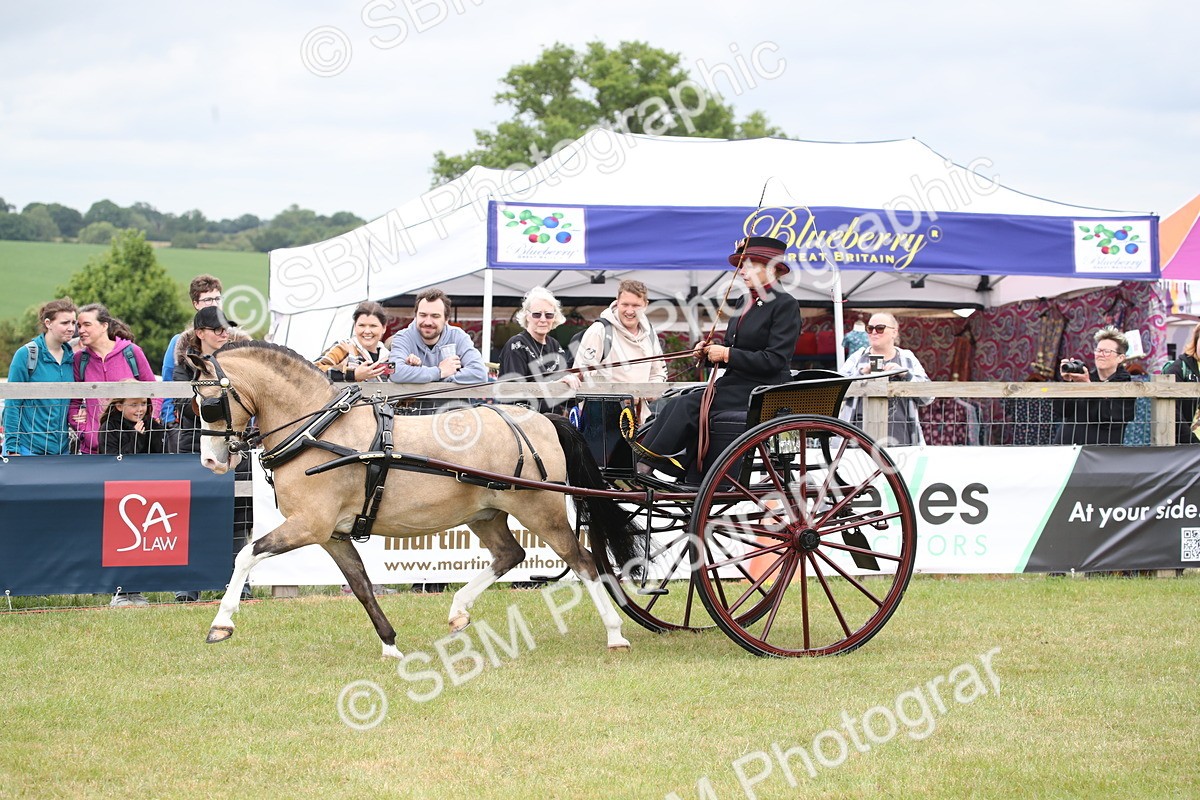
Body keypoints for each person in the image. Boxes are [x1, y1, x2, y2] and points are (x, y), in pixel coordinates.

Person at [638, 236, 802, 476]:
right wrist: (709, 351)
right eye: (742, 265)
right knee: (679, 400)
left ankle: (648, 463)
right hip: (735, 384)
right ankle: (660, 462)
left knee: (687, 404)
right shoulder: (744, 300)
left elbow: (774, 360)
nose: (742, 271)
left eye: (749, 265)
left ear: (771, 268)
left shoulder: (785, 304)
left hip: (763, 389)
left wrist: (726, 354)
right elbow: (733, 346)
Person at [173, 306, 254, 603]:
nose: (224, 333)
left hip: (236, 443)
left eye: (226, 328)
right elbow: (181, 405)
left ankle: (238, 583)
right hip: (195, 442)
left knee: (238, 515)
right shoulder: (185, 363)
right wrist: (213, 406)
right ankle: (188, 584)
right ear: (200, 333)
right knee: (194, 514)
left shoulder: (240, 360)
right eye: (217, 329)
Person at [68, 303, 157, 456]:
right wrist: (85, 432)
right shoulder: (79, 359)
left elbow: (155, 392)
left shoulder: (132, 352)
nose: (81, 330)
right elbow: (74, 402)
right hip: (92, 451)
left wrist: (150, 420)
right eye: (79, 325)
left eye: (87, 325)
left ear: (104, 326)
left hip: (133, 449)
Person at [573, 279, 666, 423]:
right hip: (602, 420)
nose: (630, 311)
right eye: (625, 304)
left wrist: (651, 391)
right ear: (617, 302)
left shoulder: (650, 333)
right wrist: (622, 396)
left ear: (646, 305)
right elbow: (582, 373)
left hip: (640, 419)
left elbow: (658, 373)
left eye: (636, 305)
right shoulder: (599, 330)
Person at [839, 313, 933, 446]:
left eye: (880, 328)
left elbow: (928, 397)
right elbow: (836, 392)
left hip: (901, 437)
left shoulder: (907, 359)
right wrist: (861, 373)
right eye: (870, 328)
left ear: (894, 332)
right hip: (858, 438)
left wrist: (905, 375)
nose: (874, 332)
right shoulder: (858, 357)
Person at [3, 298, 77, 456]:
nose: (71, 328)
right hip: (27, 450)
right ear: (48, 323)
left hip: (62, 452)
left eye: (73, 322)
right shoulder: (26, 355)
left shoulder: (73, 358)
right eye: (65, 323)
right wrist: (12, 449)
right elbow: (12, 405)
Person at [498, 286, 579, 413]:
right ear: (527, 316)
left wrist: (574, 379)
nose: (543, 320)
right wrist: (556, 384)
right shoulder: (516, 345)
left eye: (549, 315)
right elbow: (513, 390)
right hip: (522, 420)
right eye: (537, 314)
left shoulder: (555, 345)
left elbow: (564, 382)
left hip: (552, 419)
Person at [161, 274, 223, 437]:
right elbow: (168, 382)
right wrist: (169, 421)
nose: (214, 304)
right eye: (208, 300)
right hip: (190, 424)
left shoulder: (234, 339)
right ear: (196, 304)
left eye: (217, 298)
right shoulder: (179, 342)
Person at [1054, 327, 1135, 445]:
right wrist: (1068, 383)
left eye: (1106, 352)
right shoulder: (1085, 378)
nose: (1100, 355)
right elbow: (1062, 411)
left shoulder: (1126, 387)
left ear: (1120, 358)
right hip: (1067, 449)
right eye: (1098, 350)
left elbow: (1106, 418)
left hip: (1101, 455)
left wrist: (1088, 387)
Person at [388, 289, 487, 386]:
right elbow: (395, 372)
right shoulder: (403, 338)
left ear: (446, 319)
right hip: (415, 402)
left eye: (435, 316)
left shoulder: (458, 336)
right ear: (416, 315)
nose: (428, 322)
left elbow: (479, 373)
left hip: (454, 402)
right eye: (423, 315)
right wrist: (439, 371)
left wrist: (441, 379)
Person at [314, 301, 394, 382]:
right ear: (355, 326)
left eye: (373, 326)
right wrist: (353, 375)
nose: (367, 331)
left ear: (384, 328)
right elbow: (314, 370)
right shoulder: (344, 347)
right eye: (361, 325)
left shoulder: (388, 356)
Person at [99, 385, 170, 456]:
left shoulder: (150, 424)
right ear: (119, 406)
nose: (140, 409)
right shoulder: (109, 427)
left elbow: (162, 455)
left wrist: (158, 433)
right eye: (134, 405)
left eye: (143, 403)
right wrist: (137, 437)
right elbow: (112, 459)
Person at [1162, 322, 1200, 444]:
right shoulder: (1178, 368)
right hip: (1187, 448)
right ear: (1195, 341)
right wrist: (1191, 441)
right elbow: (1172, 411)